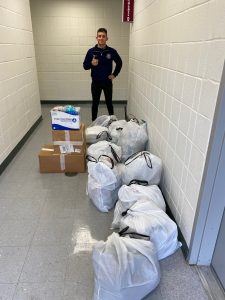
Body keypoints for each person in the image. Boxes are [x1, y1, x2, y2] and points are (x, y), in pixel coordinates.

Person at [83, 28, 122, 121]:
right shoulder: (91, 51)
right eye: (99, 36)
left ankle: (113, 122)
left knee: (109, 102)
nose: (101, 38)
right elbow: (85, 66)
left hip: (107, 82)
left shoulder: (111, 51)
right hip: (96, 82)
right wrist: (91, 64)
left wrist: (114, 74)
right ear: (96, 38)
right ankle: (94, 123)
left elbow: (119, 62)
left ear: (107, 38)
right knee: (95, 103)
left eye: (103, 36)